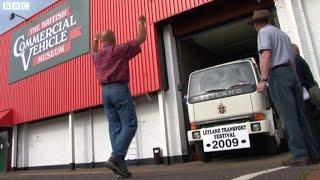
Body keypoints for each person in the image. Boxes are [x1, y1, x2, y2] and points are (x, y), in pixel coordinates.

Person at [251, 9, 319, 166]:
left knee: (288, 117)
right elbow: (293, 59)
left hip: (278, 75)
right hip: (291, 73)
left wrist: (263, 79)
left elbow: (266, 55)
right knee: (301, 116)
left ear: (256, 24)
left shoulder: (263, 33)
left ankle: (300, 155)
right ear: (269, 19)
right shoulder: (283, 35)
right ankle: (312, 153)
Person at [91, 15, 147, 178]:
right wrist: (141, 23)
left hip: (105, 93)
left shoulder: (97, 56)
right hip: (119, 90)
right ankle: (115, 157)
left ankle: (121, 170)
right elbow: (141, 38)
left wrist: (95, 40)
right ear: (114, 39)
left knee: (115, 128)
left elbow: (93, 51)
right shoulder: (120, 49)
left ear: (102, 41)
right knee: (130, 124)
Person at [292, 44, 320, 148]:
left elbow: (300, 81)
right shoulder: (301, 60)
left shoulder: (296, 61)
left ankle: (315, 150)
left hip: (306, 98)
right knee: (314, 124)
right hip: (312, 97)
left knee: (310, 125)